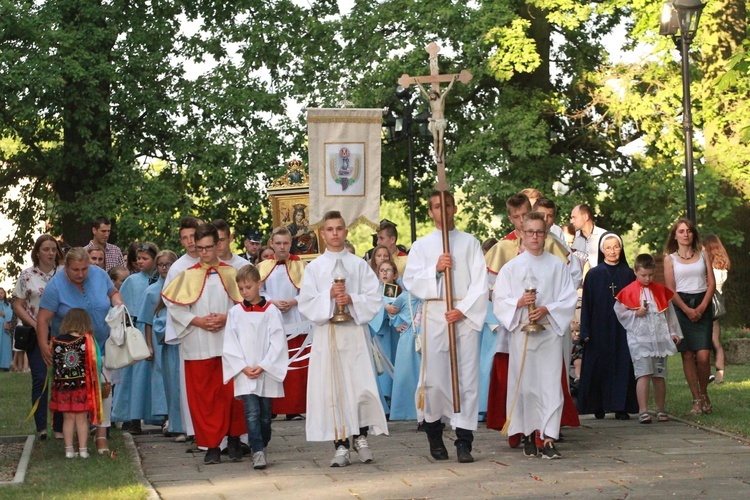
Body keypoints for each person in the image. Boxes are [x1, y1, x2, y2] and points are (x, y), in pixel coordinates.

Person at [297, 211, 388, 468]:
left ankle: (360, 437)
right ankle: (340, 444)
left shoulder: (358, 265)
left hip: (354, 334)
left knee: (358, 384)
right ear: (322, 233)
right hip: (328, 335)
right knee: (333, 388)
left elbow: (373, 296)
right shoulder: (314, 268)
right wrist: (328, 296)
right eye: (330, 229)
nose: (335, 233)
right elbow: (306, 303)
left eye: (339, 228)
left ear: (346, 232)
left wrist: (352, 300)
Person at [403, 191, 487, 463]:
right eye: (437, 206)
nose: (443, 210)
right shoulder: (421, 245)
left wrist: (462, 310)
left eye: (447, 205)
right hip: (436, 312)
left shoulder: (470, 242)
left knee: (466, 378)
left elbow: (480, 282)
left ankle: (464, 440)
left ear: (454, 208)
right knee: (435, 378)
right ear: (430, 212)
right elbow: (411, 281)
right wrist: (436, 270)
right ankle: (434, 433)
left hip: (463, 312)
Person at [493, 212, 577, 459]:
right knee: (527, 386)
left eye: (539, 232)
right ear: (521, 233)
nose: (535, 237)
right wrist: (519, 303)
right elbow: (499, 300)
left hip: (549, 333)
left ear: (546, 234)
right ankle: (529, 433)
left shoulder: (557, 266)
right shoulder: (511, 268)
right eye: (530, 232)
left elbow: (568, 298)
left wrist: (546, 309)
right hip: (523, 334)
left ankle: (549, 437)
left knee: (551, 386)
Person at [161, 223, 246, 465]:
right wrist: (197, 320)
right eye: (200, 249)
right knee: (204, 398)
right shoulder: (186, 275)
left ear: (218, 245)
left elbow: (247, 305)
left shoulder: (233, 273)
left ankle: (234, 439)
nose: (205, 253)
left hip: (229, 342)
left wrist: (226, 318)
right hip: (198, 343)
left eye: (209, 247)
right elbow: (175, 307)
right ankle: (211, 445)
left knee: (232, 395)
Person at [36, 247, 124, 454]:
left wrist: (118, 302)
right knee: (77, 392)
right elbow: (43, 319)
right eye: (75, 270)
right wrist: (43, 345)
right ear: (65, 267)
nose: (81, 274)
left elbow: (113, 292)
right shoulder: (55, 286)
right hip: (71, 353)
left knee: (104, 388)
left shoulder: (100, 274)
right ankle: (76, 436)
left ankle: (101, 435)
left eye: (85, 269)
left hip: (100, 344)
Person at [223, 265, 289, 470]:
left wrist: (264, 365)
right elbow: (230, 343)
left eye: (248, 287)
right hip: (245, 372)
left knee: (265, 415)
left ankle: (263, 441)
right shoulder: (235, 313)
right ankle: (257, 450)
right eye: (241, 288)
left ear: (259, 284)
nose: (244, 292)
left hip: (265, 370)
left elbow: (278, 341)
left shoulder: (271, 311)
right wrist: (242, 367)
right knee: (251, 412)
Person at [614, 254, 683, 424]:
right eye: (643, 275)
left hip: (659, 339)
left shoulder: (660, 290)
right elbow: (620, 312)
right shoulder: (628, 291)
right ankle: (643, 410)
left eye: (650, 275)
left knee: (659, 375)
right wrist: (634, 313)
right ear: (635, 272)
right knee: (643, 374)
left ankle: (660, 409)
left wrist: (673, 332)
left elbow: (669, 314)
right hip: (640, 339)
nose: (647, 278)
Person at [576, 232, 638, 420]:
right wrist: (585, 330)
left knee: (622, 365)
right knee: (599, 366)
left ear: (621, 249)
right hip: (599, 327)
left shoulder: (628, 273)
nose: (612, 251)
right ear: (602, 250)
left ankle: (621, 406)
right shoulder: (594, 274)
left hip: (622, 328)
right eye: (608, 248)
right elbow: (586, 304)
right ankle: (599, 406)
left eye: (616, 247)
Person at [12, 235, 63, 436]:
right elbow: (17, 304)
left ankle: (59, 427)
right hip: (36, 331)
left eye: (53, 249)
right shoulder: (27, 275)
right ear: (37, 252)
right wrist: (34, 323)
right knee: (40, 378)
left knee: (62, 378)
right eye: (46, 249)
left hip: (62, 331)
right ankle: (42, 426)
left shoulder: (64, 273)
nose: (50, 253)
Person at [663, 218, 716, 415]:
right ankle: (696, 399)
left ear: (693, 234)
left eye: (689, 231)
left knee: (703, 356)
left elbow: (711, 283)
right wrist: (687, 310)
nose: (685, 234)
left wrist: (701, 307)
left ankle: (703, 393)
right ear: (675, 236)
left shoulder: (703, 255)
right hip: (681, 306)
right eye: (681, 231)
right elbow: (670, 289)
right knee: (687, 354)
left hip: (703, 303)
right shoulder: (670, 259)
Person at [257, 226, 309, 420]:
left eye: (285, 243)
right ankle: (273, 407)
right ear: (271, 243)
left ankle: (294, 407)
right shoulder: (262, 267)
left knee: (295, 364)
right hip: (272, 317)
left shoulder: (301, 265)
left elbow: (309, 290)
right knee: (274, 362)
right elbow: (258, 291)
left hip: (296, 317)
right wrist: (272, 302)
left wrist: (294, 301)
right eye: (278, 243)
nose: (281, 247)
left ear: (291, 243)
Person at [112, 242, 161, 434]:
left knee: (155, 375)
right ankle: (131, 417)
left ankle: (158, 415)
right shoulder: (132, 282)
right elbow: (123, 308)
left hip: (156, 330)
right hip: (136, 330)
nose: (140, 262)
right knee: (134, 376)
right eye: (138, 258)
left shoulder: (161, 281)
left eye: (145, 258)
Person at [163, 216, 202, 444]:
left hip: (214, 327)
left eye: (192, 236)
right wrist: (193, 319)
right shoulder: (178, 267)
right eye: (184, 238)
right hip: (190, 331)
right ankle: (193, 429)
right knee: (189, 384)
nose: (189, 241)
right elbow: (171, 300)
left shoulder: (212, 260)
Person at [49, 308, 104, 458]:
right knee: (81, 419)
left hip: (63, 388)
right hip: (82, 387)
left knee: (68, 419)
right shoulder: (88, 341)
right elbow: (94, 363)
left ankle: (68, 450)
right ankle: (83, 450)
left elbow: (53, 365)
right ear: (86, 322)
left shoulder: (57, 340)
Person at [139, 250, 178, 438]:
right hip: (157, 337)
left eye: (168, 264)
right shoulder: (151, 291)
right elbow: (147, 320)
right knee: (160, 376)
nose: (164, 268)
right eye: (161, 264)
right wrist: (149, 345)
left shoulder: (180, 286)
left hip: (176, 335)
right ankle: (165, 416)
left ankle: (176, 416)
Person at [368, 260, 400, 413]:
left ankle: (390, 398)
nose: (385, 273)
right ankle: (383, 400)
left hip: (390, 331)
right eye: (382, 270)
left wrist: (389, 309)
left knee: (391, 362)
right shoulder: (374, 289)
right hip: (378, 332)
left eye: (388, 270)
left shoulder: (392, 288)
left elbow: (392, 303)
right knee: (380, 365)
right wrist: (384, 308)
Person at [702, 233, 729, 384]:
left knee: (704, 341)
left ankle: (708, 373)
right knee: (716, 341)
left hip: (707, 305)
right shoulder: (722, 267)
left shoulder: (709, 268)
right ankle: (720, 374)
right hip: (717, 307)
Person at [570, 204, 608, 268]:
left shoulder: (604, 236)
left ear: (585, 217)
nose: (571, 221)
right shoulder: (572, 238)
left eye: (574, 217)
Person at [0, 288, 13, 371]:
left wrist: (5, 313)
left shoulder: (8, 304)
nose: (0, 295)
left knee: (5, 346)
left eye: (1, 293)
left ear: (4, 294)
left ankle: (6, 365)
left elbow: (11, 313)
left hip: (5, 328)